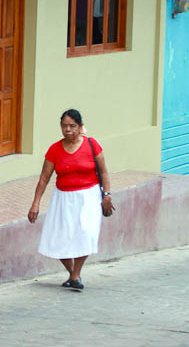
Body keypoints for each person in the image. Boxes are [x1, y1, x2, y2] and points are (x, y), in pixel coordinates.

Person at [27, 109, 114, 290]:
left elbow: (104, 172)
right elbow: (44, 178)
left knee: (85, 233)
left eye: (72, 126)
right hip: (63, 198)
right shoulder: (54, 149)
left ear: (80, 127)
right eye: (64, 126)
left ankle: (75, 275)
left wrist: (107, 195)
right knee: (59, 237)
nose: (68, 130)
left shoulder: (92, 145)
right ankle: (74, 274)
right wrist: (35, 203)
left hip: (88, 196)